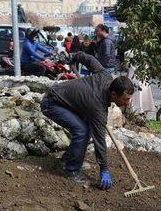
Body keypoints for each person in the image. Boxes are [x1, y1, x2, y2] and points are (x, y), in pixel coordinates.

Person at [40, 51, 135, 187]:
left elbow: (89, 58)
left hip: (65, 100)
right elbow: (99, 140)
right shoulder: (97, 106)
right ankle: (71, 170)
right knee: (82, 130)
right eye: (126, 99)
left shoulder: (105, 76)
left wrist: (75, 57)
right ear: (114, 94)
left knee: (86, 129)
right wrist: (104, 169)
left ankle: (67, 160)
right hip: (52, 103)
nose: (128, 102)